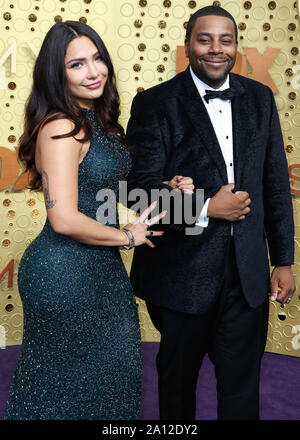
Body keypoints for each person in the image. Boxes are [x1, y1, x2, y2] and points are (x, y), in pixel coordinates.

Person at [3, 20, 194, 420]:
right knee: (63, 386)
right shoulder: (61, 127)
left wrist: (168, 187)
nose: (93, 72)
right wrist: (127, 235)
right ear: (56, 74)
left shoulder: (96, 123)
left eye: (98, 59)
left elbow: (106, 189)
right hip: (64, 272)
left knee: (107, 382)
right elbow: (65, 219)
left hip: (99, 270)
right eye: (76, 65)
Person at [126, 6, 296, 420]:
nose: (216, 49)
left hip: (248, 276)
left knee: (242, 394)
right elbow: (136, 194)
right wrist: (206, 206)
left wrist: (284, 260)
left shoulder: (259, 99)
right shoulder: (154, 104)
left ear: (236, 45)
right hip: (181, 274)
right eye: (205, 39)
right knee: (177, 390)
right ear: (187, 45)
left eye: (226, 39)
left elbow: (274, 184)